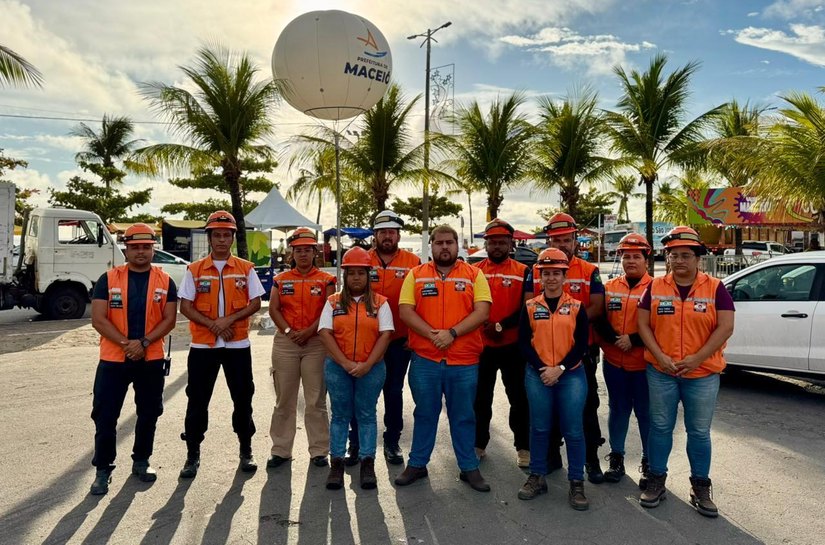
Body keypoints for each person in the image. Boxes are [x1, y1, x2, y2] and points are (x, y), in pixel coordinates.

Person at [636, 226, 735, 518]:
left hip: (702, 374)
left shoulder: (715, 288)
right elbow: (643, 325)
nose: (678, 260)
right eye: (673, 255)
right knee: (661, 428)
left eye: (685, 255)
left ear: (697, 258)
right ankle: (656, 481)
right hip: (661, 371)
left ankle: (700, 487)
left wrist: (697, 359)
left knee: (699, 432)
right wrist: (660, 356)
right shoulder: (654, 287)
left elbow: (726, 326)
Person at [395, 225, 492, 492]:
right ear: (432, 246)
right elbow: (405, 311)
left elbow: (482, 312)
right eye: (439, 243)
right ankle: (417, 464)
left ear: (457, 244)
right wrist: (433, 335)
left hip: (464, 361)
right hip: (425, 360)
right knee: (425, 412)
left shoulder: (475, 275)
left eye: (449, 242)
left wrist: (451, 333)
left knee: (463, 416)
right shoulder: (415, 275)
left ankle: (469, 468)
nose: (445, 247)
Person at [89, 223, 178, 495]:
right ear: (126, 249)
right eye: (135, 247)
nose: (141, 252)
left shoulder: (166, 281)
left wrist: (145, 343)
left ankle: (141, 461)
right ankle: (103, 469)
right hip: (114, 359)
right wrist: (127, 344)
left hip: (150, 359)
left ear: (154, 249)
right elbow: (98, 319)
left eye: (146, 247)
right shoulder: (108, 279)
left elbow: (170, 319)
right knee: (105, 416)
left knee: (149, 412)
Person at [178, 210, 265, 478]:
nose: (222, 240)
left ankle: (246, 450)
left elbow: (255, 303)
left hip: (237, 345)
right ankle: (192, 454)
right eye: (217, 235)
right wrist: (214, 325)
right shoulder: (194, 270)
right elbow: (185, 306)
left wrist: (228, 321)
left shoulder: (245, 268)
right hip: (203, 347)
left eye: (227, 235)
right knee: (197, 400)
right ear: (210, 238)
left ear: (232, 237)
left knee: (243, 399)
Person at [344, 210, 421, 466]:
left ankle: (392, 441)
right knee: (362, 392)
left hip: (400, 340)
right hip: (366, 339)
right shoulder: (362, 259)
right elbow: (348, 296)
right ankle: (355, 443)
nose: (387, 236)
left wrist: (413, 335)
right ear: (374, 234)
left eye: (391, 232)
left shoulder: (413, 261)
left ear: (398, 234)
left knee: (393, 391)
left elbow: (420, 303)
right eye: (382, 232)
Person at [518, 248, 590, 510]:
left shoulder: (576, 307)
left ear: (564, 276)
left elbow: (582, 345)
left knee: (572, 429)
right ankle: (537, 476)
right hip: (538, 375)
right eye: (546, 273)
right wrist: (543, 369)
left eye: (555, 273)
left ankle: (576, 482)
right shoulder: (529, 306)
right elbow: (524, 344)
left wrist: (559, 368)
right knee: (539, 428)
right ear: (540, 277)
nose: (550, 278)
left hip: (570, 375)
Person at [318, 247, 394, 490]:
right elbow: (325, 334)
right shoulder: (332, 302)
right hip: (338, 367)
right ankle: (337, 464)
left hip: (371, 368)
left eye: (361, 273)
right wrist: (346, 363)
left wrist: (367, 364)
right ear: (345, 276)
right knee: (340, 415)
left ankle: (367, 463)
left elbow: (386, 335)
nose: (356, 278)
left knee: (366, 415)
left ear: (368, 275)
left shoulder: (381, 303)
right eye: (351, 273)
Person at [538, 212, 606, 483]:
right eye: (557, 239)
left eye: (567, 239)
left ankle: (591, 461)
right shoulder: (539, 268)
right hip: (546, 354)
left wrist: (568, 325)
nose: (562, 244)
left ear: (575, 239)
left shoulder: (589, 271)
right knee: (549, 408)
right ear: (549, 240)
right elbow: (530, 305)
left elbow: (598, 307)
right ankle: (552, 457)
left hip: (582, 352)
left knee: (587, 408)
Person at [267, 227, 336, 469]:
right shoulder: (281, 280)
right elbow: (274, 309)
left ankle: (319, 450)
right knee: (284, 399)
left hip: (316, 342)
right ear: (292, 253)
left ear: (315, 252)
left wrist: (308, 332)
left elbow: (328, 310)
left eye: (308, 249)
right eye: (299, 250)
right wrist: (288, 331)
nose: (303, 254)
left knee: (315, 399)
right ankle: (281, 450)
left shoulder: (327, 280)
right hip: (286, 343)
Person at [594, 233, 653, 486]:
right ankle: (616, 457)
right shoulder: (610, 288)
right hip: (614, 363)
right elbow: (598, 317)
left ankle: (649, 462)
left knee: (645, 414)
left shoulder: (658, 289)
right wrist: (617, 339)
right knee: (617, 410)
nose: (630, 261)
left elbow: (660, 325)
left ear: (646, 260)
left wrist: (633, 340)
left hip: (644, 365)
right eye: (626, 256)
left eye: (636, 257)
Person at [473, 219, 530, 468]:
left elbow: (527, 307)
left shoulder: (523, 270)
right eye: (492, 242)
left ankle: (523, 447)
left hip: (513, 345)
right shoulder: (474, 271)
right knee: (480, 398)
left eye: (502, 242)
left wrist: (501, 326)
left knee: (519, 398)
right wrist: (485, 326)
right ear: (486, 244)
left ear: (511, 244)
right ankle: (478, 443)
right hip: (481, 345)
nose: (497, 246)